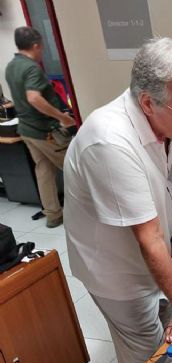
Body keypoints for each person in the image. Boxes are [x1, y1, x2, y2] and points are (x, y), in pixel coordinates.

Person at [64, 37, 172, 363]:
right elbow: (148, 238)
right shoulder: (110, 141)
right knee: (149, 361)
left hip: (155, 249)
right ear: (148, 103)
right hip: (117, 272)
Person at [5, 26, 75, 228]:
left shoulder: (12, 66)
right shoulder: (31, 68)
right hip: (44, 132)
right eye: (41, 47)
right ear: (36, 45)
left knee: (43, 170)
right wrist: (63, 117)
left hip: (26, 130)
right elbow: (34, 98)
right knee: (75, 167)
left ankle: (53, 214)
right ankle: (94, 210)